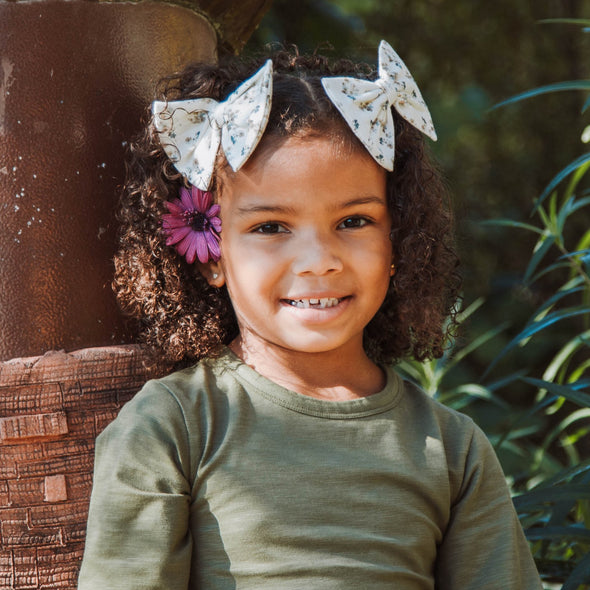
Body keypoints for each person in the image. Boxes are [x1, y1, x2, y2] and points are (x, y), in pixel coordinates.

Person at [78, 41, 543, 589]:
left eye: (354, 222)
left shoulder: (453, 450)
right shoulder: (170, 428)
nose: (319, 261)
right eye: (271, 227)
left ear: (399, 240)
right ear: (211, 255)